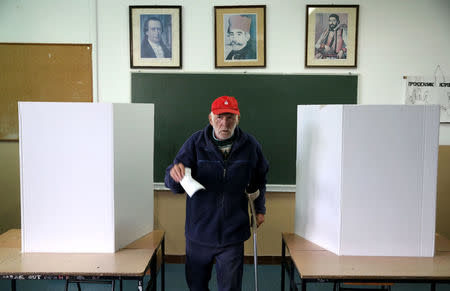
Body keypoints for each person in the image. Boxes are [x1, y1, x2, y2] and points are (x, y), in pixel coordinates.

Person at [165, 96, 268, 291]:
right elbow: (175, 185)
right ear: (211, 118)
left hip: (233, 234)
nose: (225, 123)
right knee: (196, 286)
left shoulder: (250, 146)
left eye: (230, 117)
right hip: (199, 233)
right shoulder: (195, 143)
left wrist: (260, 209)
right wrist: (174, 174)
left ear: (238, 118)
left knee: (230, 288)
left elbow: (259, 181)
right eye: (220, 117)